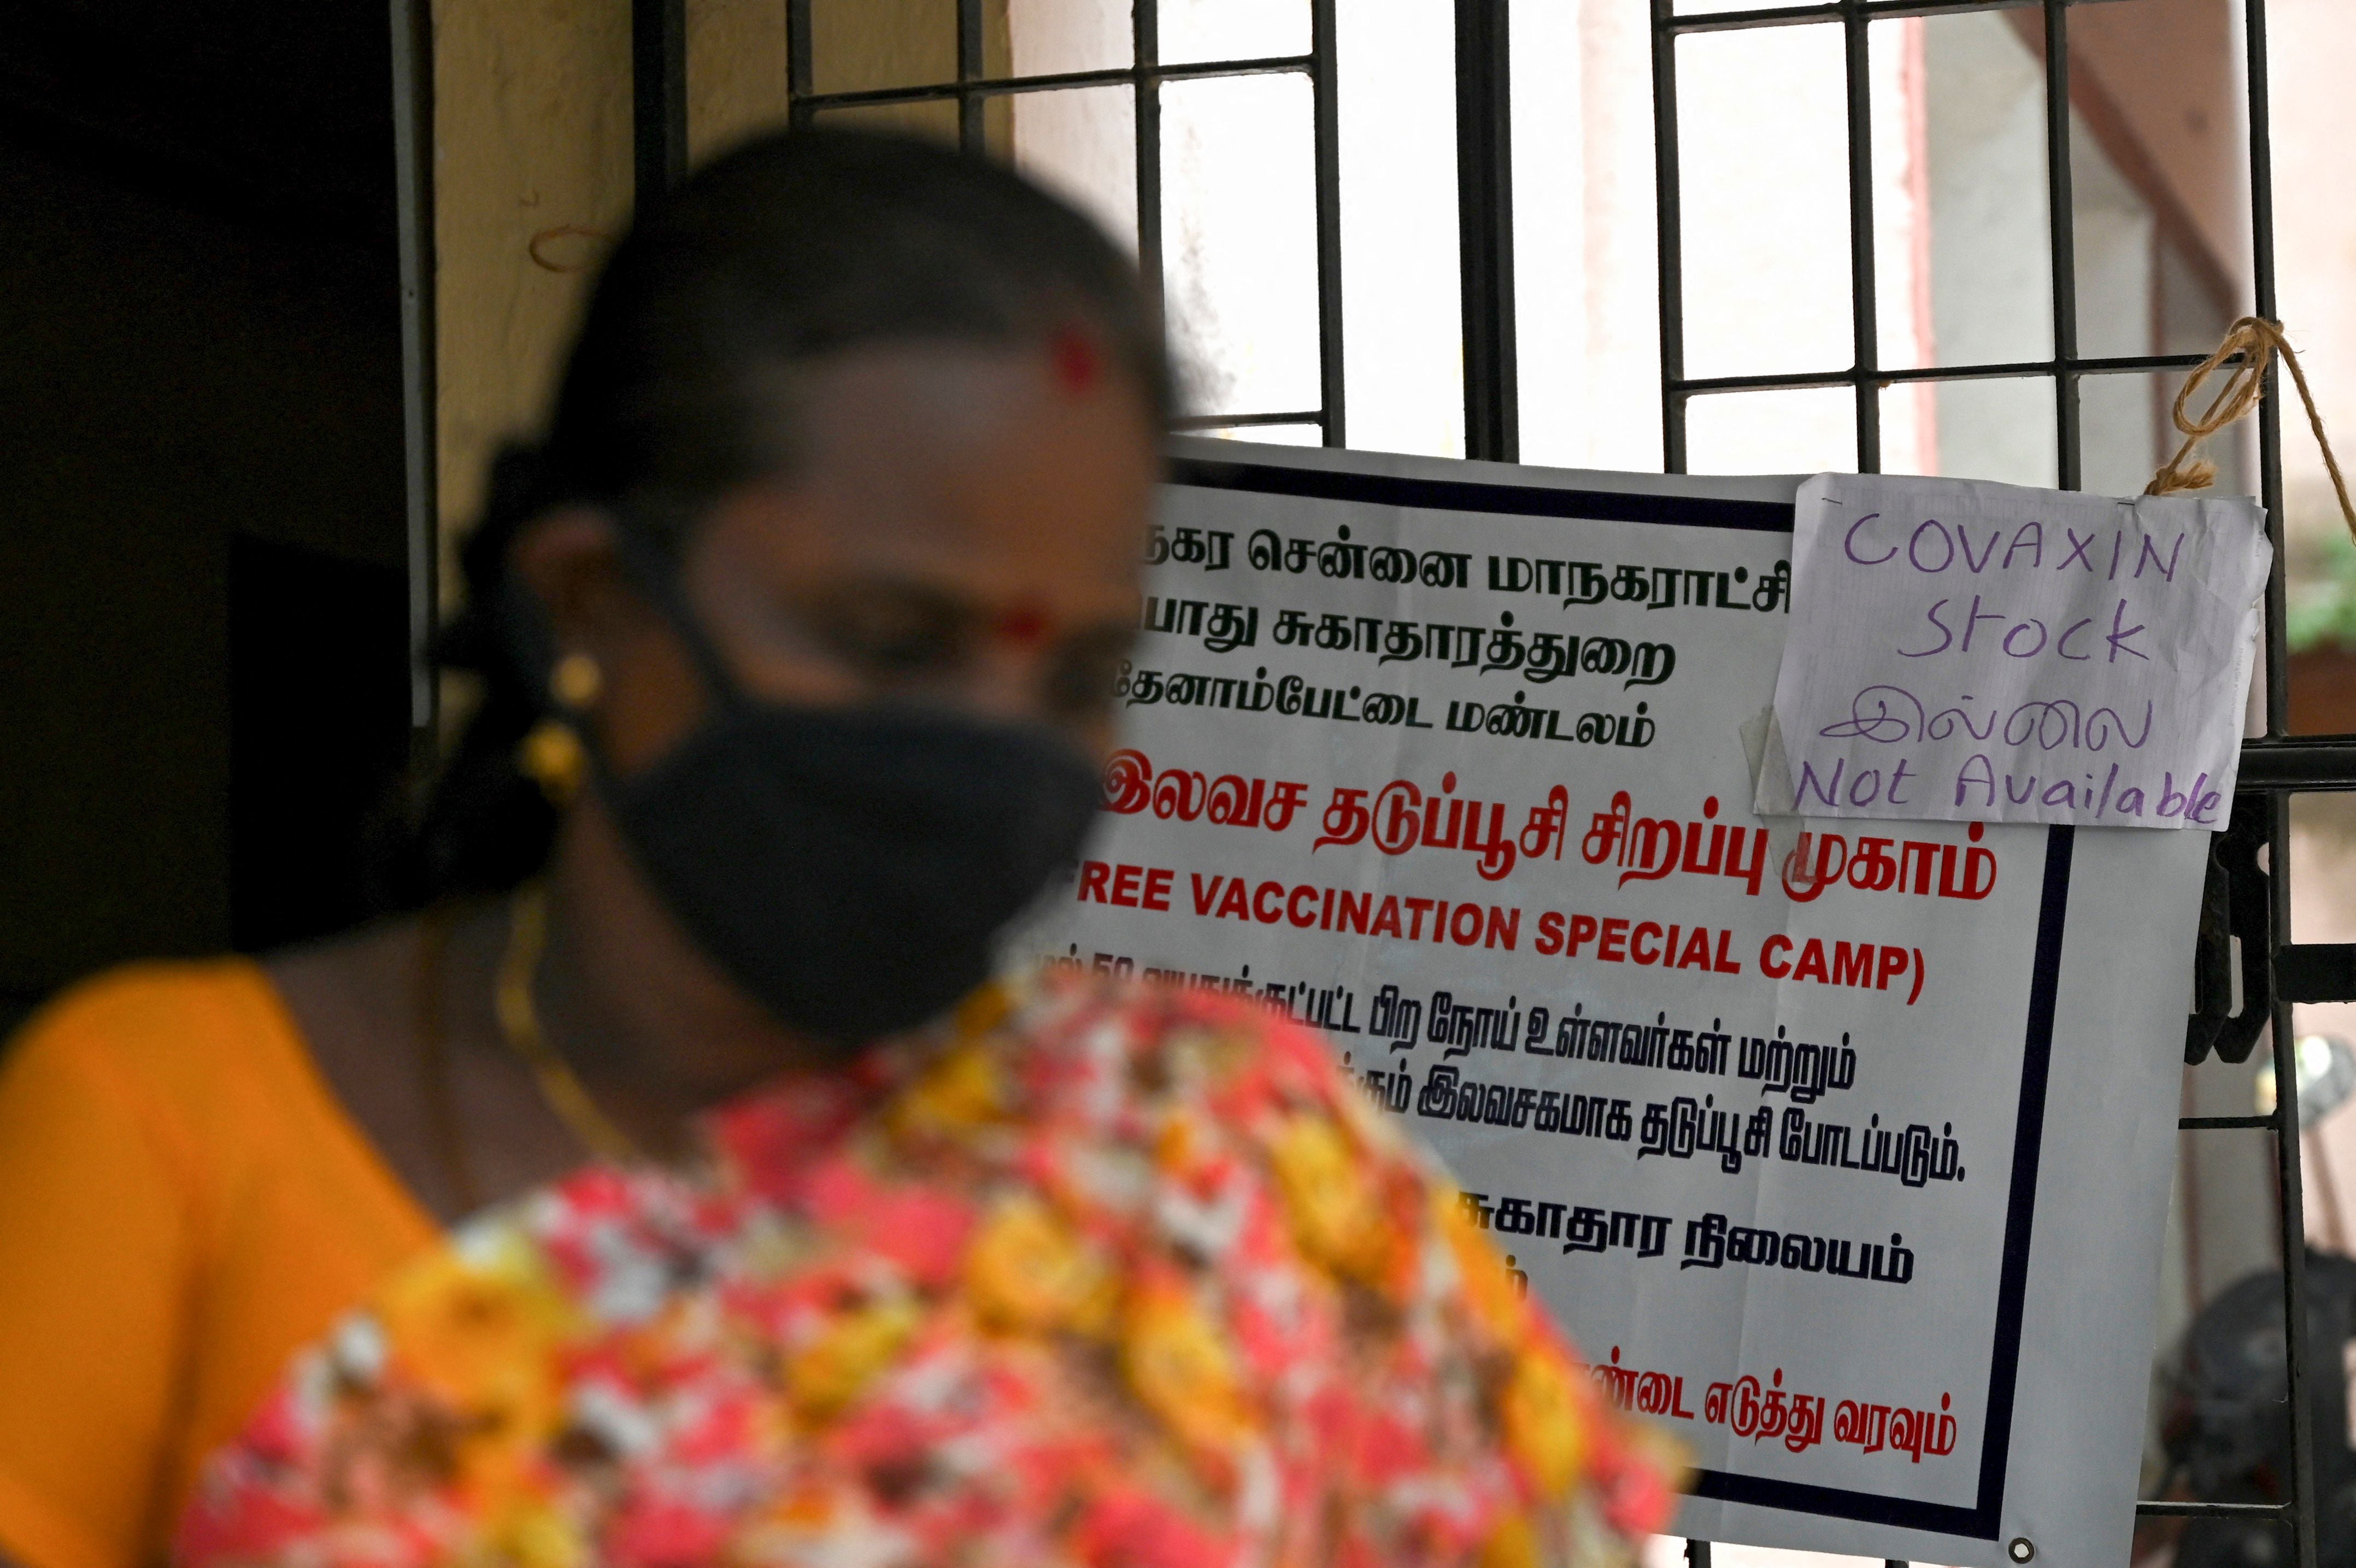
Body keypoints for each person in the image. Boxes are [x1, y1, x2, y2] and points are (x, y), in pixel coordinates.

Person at [0, 129, 1674, 1568]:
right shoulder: (166, 1131)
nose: (994, 739)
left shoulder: (1240, 1169)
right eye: (891, 639)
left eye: (1077, 673)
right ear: (592, 602)